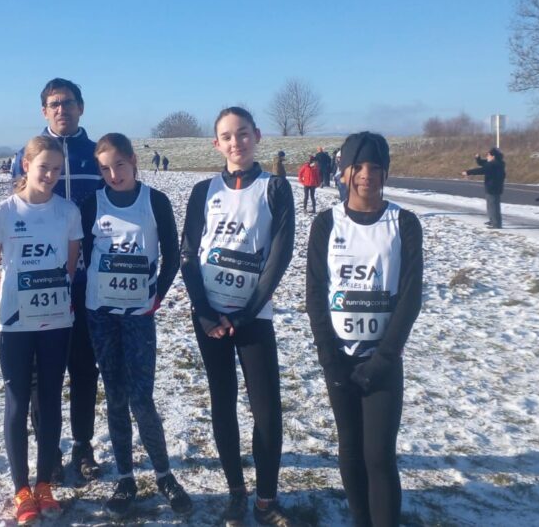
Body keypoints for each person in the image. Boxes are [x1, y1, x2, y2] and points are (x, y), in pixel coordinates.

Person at [180, 106, 296, 526]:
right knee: (222, 402)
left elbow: (279, 257)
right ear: (217, 144)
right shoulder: (203, 191)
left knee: (266, 409)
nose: (236, 143)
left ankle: (266, 499)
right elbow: (188, 255)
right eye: (227, 136)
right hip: (210, 315)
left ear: (257, 136)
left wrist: (247, 313)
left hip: (253, 316)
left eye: (242, 134)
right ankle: (235, 492)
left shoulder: (276, 188)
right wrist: (204, 311)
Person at [306, 131, 423, 527]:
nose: (367, 175)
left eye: (376, 167)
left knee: (378, 455)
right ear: (343, 171)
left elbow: (410, 297)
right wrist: (328, 357)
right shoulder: (326, 224)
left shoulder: (404, 223)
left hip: (383, 361)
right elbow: (316, 293)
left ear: (386, 172)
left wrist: (386, 357)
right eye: (358, 166)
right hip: (339, 359)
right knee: (351, 451)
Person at [81, 133, 192, 517]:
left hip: (139, 316)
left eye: (120, 166)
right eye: (106, 169)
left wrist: (156, 297)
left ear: (133, 162)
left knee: (142, 398)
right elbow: (78, 254)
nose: (114, 175)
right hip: (102, 316)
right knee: (115, 397)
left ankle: (164, 475)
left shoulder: (154, 201)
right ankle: (126, 478)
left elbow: (173, 256)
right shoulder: (91, 203)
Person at [0, 136, 83, 525]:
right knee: (17, 402)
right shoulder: (4, 211)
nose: (52, 175)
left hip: (56, 322)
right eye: (44, 167)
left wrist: (54, 300)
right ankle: (21, 488)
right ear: (26, 166)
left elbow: (71, 265)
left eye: (58, 169)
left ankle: (44, 484)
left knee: (52, 399)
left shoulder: (68, 211)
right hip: (15, 325)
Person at [11, 78, 103, 482]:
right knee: (39, 375)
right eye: (53, 104)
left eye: (68, 103)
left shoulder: (96, 154)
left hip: (85, 280)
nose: (61, 109)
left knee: (84, 368)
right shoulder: (26, 155)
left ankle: (83, 447)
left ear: (81, 107)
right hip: (38, 284)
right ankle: (48, 450)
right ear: (44, 111)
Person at [462, 148, 506, 228]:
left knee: (493, 207)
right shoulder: (497, 163)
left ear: (493, 156)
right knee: (491, 206)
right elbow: (482, 163)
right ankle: (492, 221)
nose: (487, 156)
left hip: (493, 188)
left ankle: (496, 224)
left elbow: (481, 170)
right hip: (493, 187)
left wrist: (468, 172)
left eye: (488, 155)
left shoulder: (493, 164)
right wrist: (478, 158)